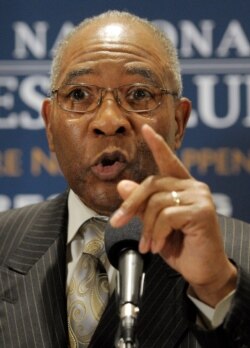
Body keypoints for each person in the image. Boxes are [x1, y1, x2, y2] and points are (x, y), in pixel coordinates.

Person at [0, 10, 249, 348]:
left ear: (179, 122)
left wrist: (217, 288)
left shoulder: (239, 257)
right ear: (49, 126)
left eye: (139, 95)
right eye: (78, 95)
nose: (109, 120)